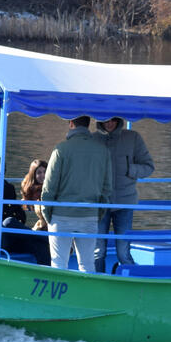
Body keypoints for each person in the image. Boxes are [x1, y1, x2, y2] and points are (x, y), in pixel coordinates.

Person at [42, 116, 113, 272]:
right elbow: (107, 188)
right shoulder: (103, 151)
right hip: (89, 214)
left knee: (58, 264)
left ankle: (60, 289)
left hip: (61, 215)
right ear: (88, 125)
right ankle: (88, 288)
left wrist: (47, 214)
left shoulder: (61, 149)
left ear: (71, 123)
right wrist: (98, 213)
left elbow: (49, 186)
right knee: (87, 264)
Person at [94, 116, 155, 273]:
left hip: (124, 203)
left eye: (112, 120)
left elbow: (149, 167)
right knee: (98, 252)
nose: (109, 123)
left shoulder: (132, 138)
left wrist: (130, 169)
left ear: (118, 120)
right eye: (105, 120)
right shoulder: (93, 139)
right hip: (99, 204)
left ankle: (132, 282)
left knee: (123, 253)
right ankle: (97, 283)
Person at [20, 158, 49, 231]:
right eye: (39, 173)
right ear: (33, 175)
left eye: (45, 172)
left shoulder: (51, 189)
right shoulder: (29, 189)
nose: (43, 175)